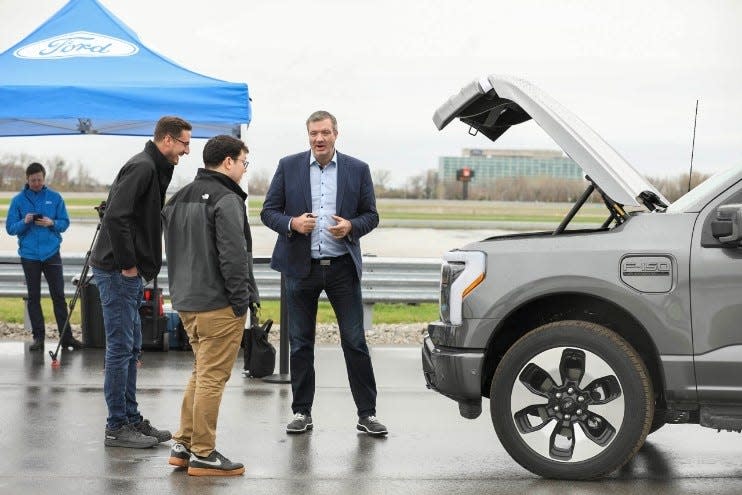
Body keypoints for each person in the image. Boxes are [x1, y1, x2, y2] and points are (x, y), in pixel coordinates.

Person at [261, 110, 388, 436]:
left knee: (355, 342)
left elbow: (371, 216)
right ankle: (302, 412)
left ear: (335, 134)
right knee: (301, 344)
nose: (319, 138)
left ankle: (367, 414)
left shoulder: (357, 170)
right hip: (300, 269)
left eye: (325, 133)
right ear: (308, 135)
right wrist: (292, 224)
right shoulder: (288, 166)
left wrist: (351, 227)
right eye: (314, 133)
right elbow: (268, 212)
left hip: (342, 269)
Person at [90, 116, 191, 449]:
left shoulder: (154, 167)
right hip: (118, 273)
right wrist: (130, 266)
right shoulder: (143, 167)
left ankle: (131, 418)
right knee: (120, 350)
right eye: (183, 143)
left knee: (132, 348)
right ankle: (116, 426)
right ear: (166, 140)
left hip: (126, 272)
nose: (186, 150)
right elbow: (116, 217)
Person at [162, 134, 259, 476]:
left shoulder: (177, 198)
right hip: (218, 303)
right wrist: (240, 300)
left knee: (200, 372)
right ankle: (203, 453)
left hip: (186, 301)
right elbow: (233, 256)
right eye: (244, 163)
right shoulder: (227, 199)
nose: (245, 170)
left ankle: (183, 444)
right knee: (212, 378)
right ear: (228, 161)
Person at [5, 163, 83, 351]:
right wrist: (25, 222)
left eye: (40, 179)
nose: (37, 183)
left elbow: (64, 223)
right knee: (34, 297)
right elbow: (10, 228)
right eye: (33, 180)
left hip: (51, 254)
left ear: (44, 178)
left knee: (58, 296)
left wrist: (51, 222)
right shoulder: (17, 201)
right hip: (29, 255)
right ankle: (38, 338)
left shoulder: (55, 198)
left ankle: (67, 339)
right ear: (27, 179)